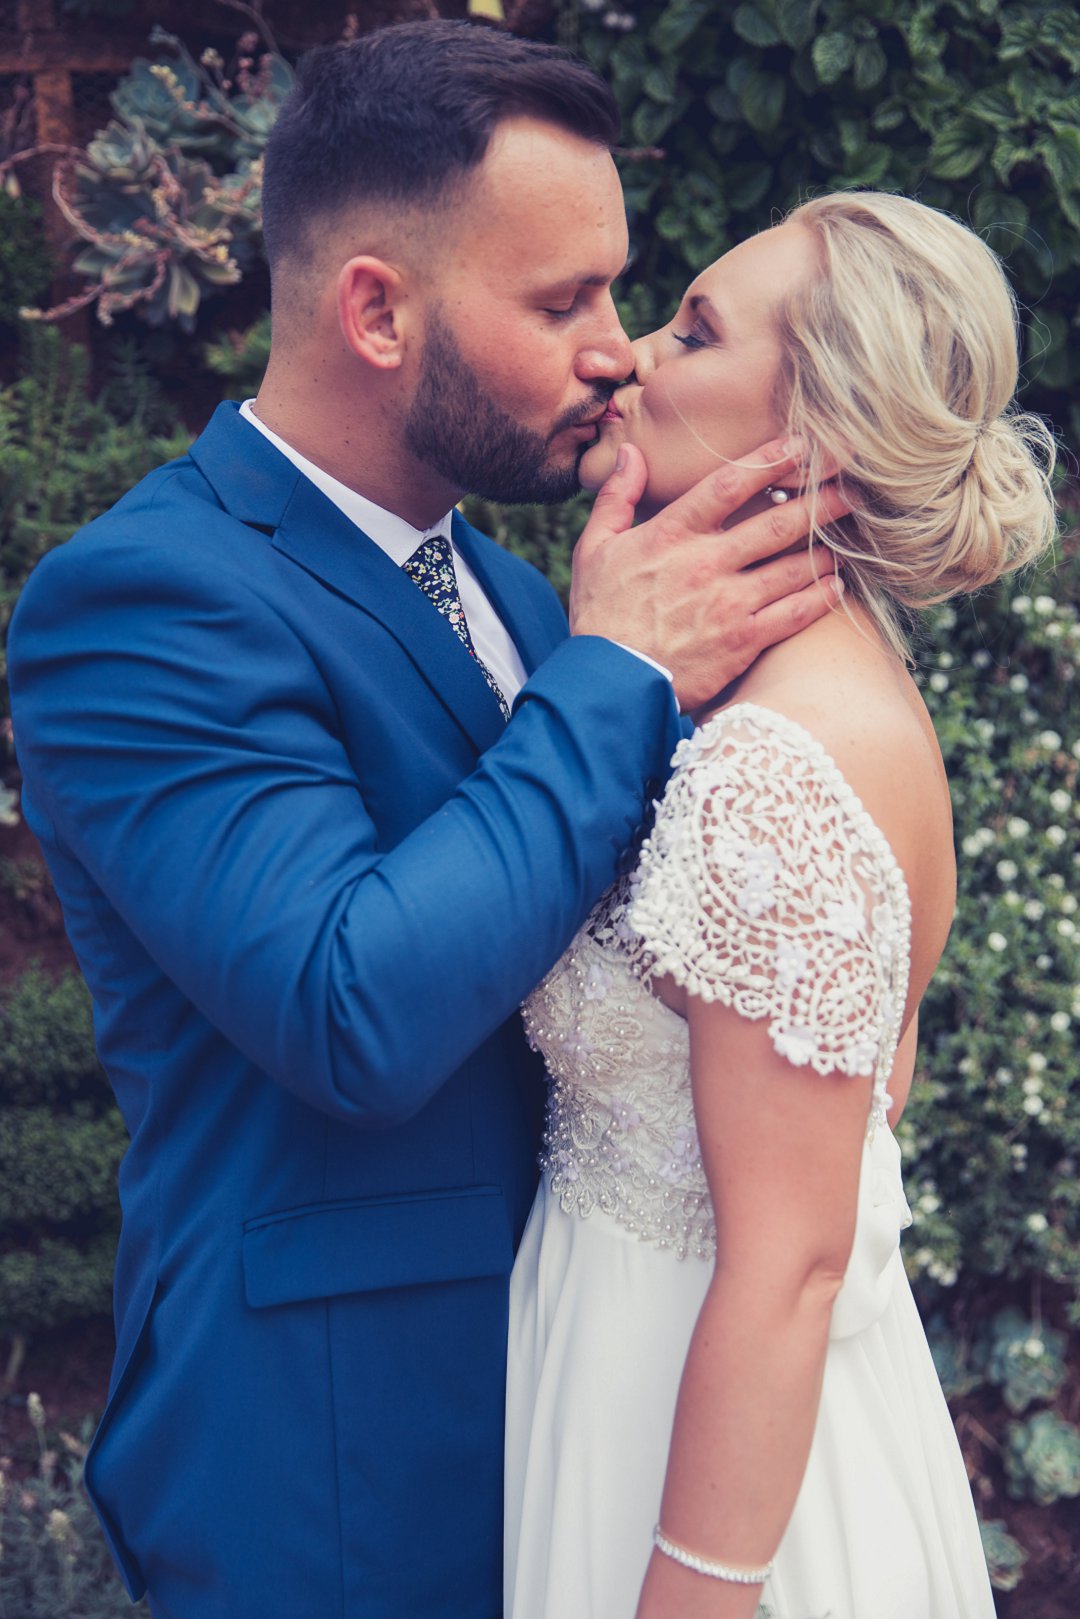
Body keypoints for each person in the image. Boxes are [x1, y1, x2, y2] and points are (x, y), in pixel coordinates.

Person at [6, 21, 843, 1619]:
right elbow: (351, 1010)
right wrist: (616, 675)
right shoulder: (140, 602)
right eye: (562, 302)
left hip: (591, 1419)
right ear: (378, 310)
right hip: (338, 1475)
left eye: (619, 293)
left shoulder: (529, 596)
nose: (618, 352)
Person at [504, 190, 1056, 1619]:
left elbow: (796, 1266)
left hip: (703, 1466)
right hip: (632, 1373)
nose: (631, 356)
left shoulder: (779, 768)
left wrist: (689, 1600)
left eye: (694, 333)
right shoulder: (796, 690)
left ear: (816, 439)